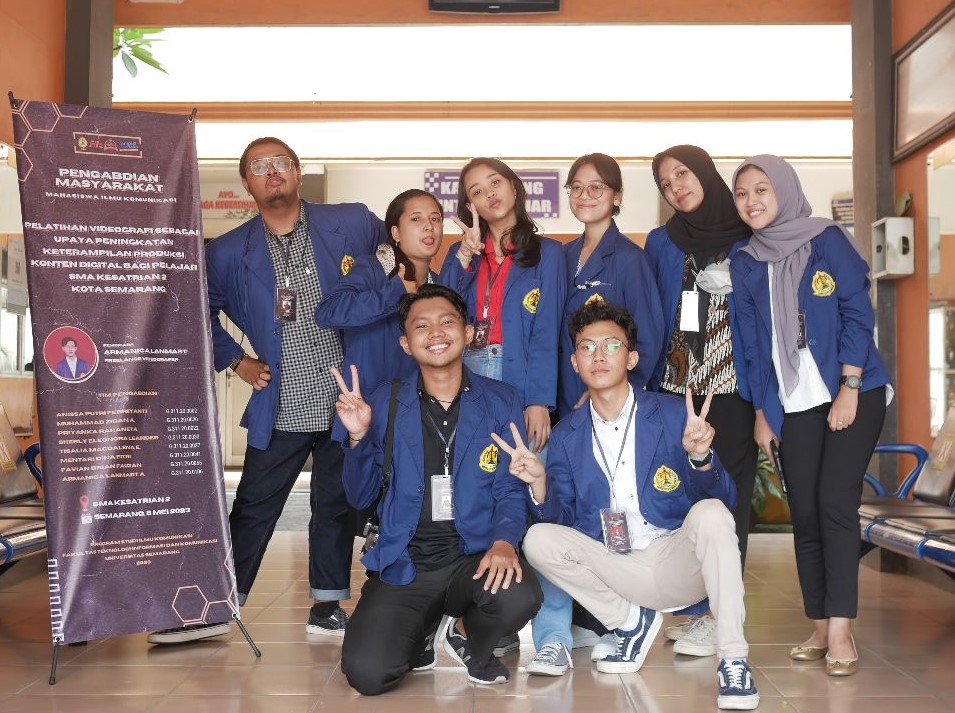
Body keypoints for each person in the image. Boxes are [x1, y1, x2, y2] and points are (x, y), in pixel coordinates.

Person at [148, 137, 387, 645]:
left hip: (349, 396)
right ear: (246, 184)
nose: (272, 171)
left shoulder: (352, 222)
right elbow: (194, 309)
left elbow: (391, 251)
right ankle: (216, 606)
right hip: (283, 397)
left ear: (297, 172)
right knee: (254, 506)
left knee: (335, 504)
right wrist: (235, 359)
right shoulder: (227, 252)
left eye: (281, 162)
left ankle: (327, 606)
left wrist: (379, 286)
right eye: (259, 166)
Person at [498, 301, 758, 710]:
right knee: (538, 539)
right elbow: (563, 521)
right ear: (575, 362)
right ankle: (632, 623)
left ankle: (734, 661)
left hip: (676, 560)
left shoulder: (672, 415)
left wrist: (700, 458)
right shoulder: (566, 436)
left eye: (611, 345)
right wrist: (541, 485)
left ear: (632, 358)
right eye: (587, 347)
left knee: (712, 514)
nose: (598, 355)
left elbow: (725, 503)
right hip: (616, 568)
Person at [335, 283, 543, 694]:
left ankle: (463, 633)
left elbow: (509, 489)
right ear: (405, 343)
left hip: (474, 555)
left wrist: (505, 542)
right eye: (421, 326)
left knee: (519, 595)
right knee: (368, 673)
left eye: (447, 322)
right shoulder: (386, 402)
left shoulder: (501, 400)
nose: (435, 333)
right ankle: (423, 631)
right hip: (407, 560)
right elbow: (359, 496)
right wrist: (359, 437)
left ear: (467, 333)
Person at [730, 154, 890, 677]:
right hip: (791, 402)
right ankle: (820, 625)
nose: (751, 201)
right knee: (805, 514)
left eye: (761, 189)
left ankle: (841, 629)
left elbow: (857, 314)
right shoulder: (746, 260)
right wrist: (761, 411)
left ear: (784, 189)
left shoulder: (827, 240)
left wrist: (848, 387)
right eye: (742, 193)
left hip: (853, 389)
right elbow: (752, 345)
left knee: (834, 504)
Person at [645, 145, 759, 655]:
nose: (676, 187)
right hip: (676, 388)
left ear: (707, 174)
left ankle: (721, 614)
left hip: (732, 389)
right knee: (683, 498)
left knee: (730, 499)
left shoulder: (750, 235)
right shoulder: (661, 241)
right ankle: (694, 608)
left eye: (682, 174)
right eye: (665, 184)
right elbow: (653, 313)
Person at [439, 157, 566, 455]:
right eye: (477, 191)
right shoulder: (460, 252)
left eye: (495, 182)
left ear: (514, 187)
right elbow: (441, 311)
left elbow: (547, 330)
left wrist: (538, 400)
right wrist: (465, 255)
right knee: (471, 467)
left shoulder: (548, 253)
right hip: (466, 370)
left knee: (524, 467)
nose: (490, 193)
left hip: (519, 371)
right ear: (470, 206)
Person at [315, 188, 444, 436]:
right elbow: (328, 312)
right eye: (416, 219)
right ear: (396, 233)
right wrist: (394, 292)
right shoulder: (372, 269)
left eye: (435, 219)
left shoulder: (437, 285)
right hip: (366, 415)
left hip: (417, 416)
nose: (429, 226)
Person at [559, 152, 664, 416]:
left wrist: (613, 392)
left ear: (617, 196)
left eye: (596, 187)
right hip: (560, 397)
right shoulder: (561, 255)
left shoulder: (631, 258)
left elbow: (648, 340)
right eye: (576, 187)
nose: (584, 195)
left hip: (608, 402)